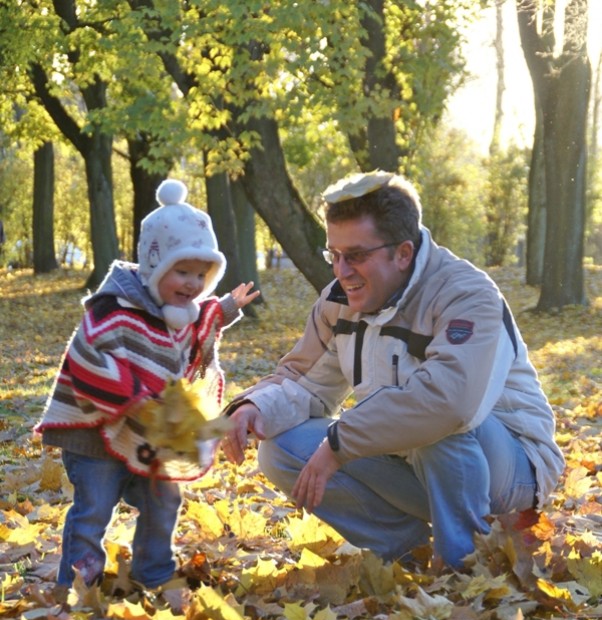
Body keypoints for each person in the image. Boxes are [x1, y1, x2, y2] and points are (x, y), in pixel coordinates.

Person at [222, 170, 564, 569]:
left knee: (436, 426)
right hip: (409, 457)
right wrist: (253, 409)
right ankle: (407, 553)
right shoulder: (339, 301)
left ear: (403, 253)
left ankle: (465, 568)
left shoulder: (465, 294)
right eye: (334, 254)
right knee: (280, 448)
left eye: (357, 256)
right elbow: (305, 382)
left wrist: (338, 444)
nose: (341, 271)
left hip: (510, 469)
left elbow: (449, 404)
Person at [35, 179, 259, 591]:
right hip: (93, 433)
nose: (193, 283)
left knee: (164, 498)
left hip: (150, 435)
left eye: (201, 274)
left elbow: (195, 327)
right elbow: (86, 360)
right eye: (182, 270)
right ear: (156, 266)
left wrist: (224, 309)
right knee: (94, 509)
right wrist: (132, 395)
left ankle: (153, 571)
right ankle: (79, 579)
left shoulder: (177, 310)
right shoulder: (114, 309)